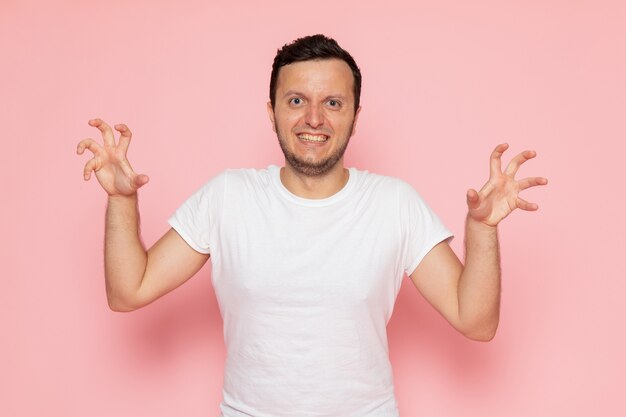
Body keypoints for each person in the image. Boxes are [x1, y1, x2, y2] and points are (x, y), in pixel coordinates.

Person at [76, 34, 547, 417]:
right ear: (272, 112)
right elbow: (129, 291)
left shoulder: (393, 204)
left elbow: (476, 321)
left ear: (355, 118)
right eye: (297, 99)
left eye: (334, 103)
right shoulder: (228, 197)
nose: (314, 118)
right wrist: (122, 198)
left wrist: (482, 231)